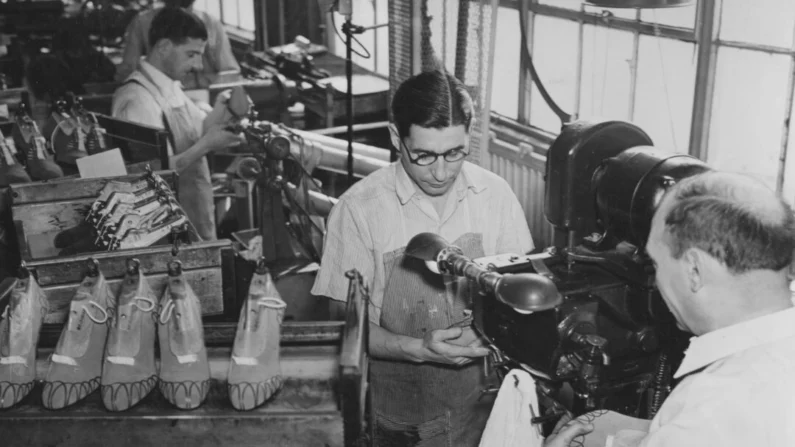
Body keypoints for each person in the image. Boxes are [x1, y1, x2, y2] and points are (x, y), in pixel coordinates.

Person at [311, 69, 535, 446]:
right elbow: (347, 330)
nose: (442, 172)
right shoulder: (358, 210)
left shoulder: (494, 195)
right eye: (425, 156)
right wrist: (416, 349)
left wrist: (487, 327)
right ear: (397, 137)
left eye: (455, 153)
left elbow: (521, 294)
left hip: (483, 403)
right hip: (401, 415)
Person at [553, 171, 795, 447]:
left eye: (655, 263)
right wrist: (637, 433)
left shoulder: (711, 406)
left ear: (694, 270)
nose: (656, 280)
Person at [112, 7, 245, 241]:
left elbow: (197, 131)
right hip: (166, 229)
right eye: (191, 54)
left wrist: (224, 108)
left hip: (194, 212)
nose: (199, 66)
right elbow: (151, 175)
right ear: (163, 47)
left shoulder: (171, 87)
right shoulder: (137, 99)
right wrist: (206, 145)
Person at [116, 0, 240, 90]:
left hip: (203, 96)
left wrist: (200, 82)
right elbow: (127, 72)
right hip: (159, 95)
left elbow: (231, 73)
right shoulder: (142, 21)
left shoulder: (212, 24)